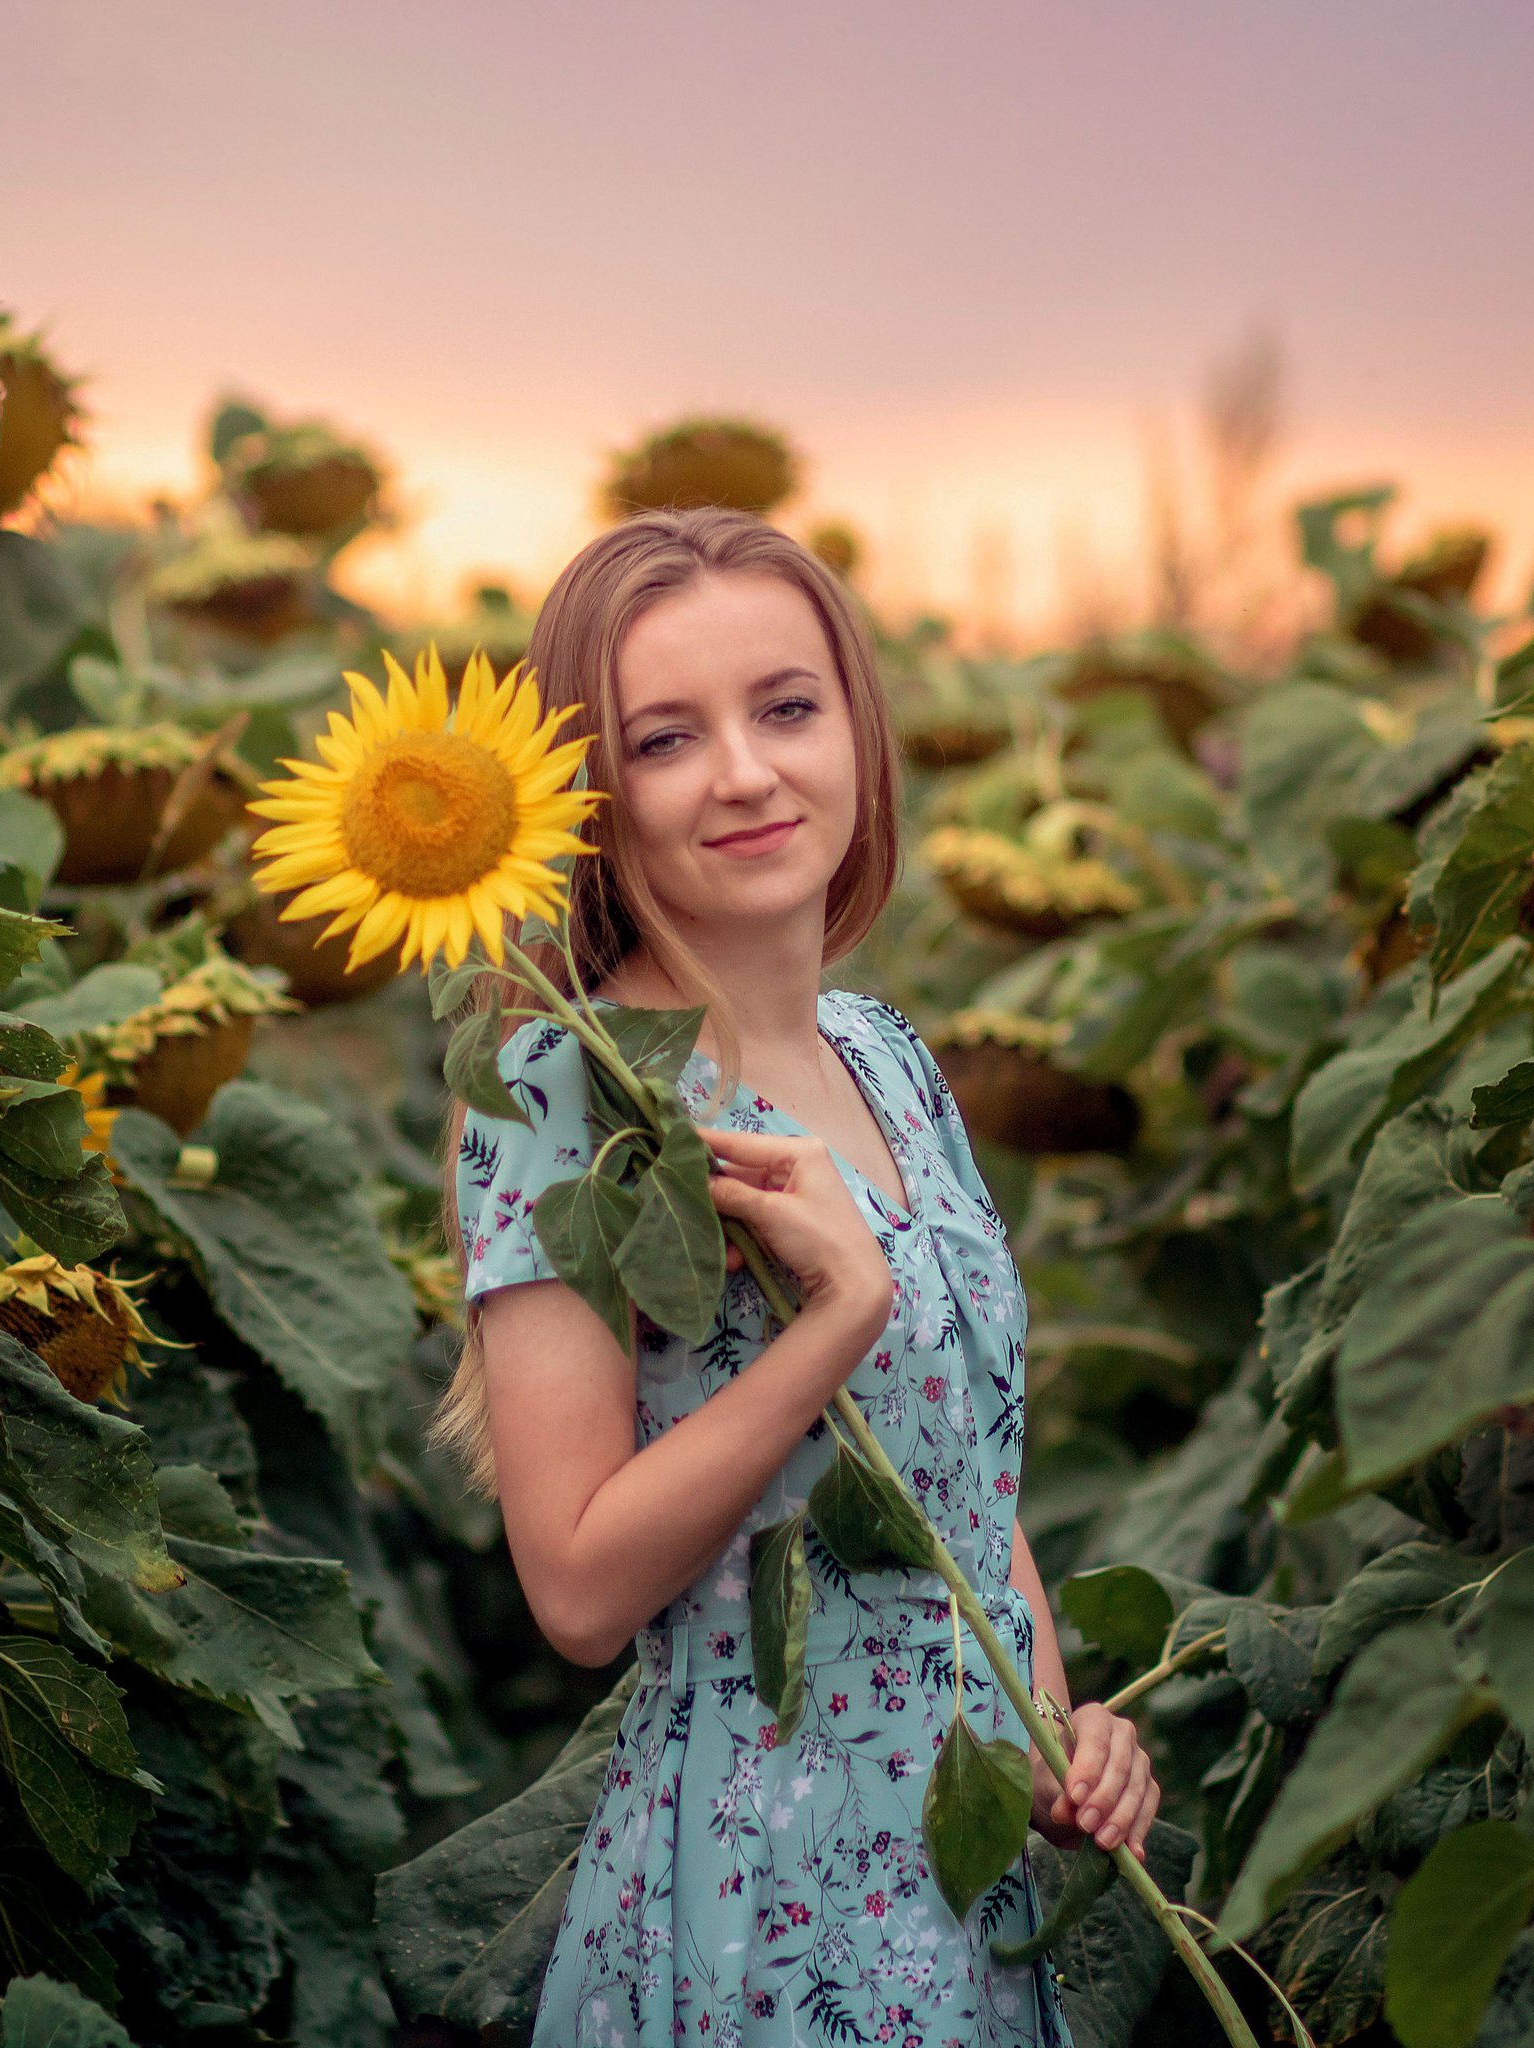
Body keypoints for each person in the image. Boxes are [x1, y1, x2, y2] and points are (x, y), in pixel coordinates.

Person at [438, 508, 1159, 2046]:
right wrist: (828, 1325)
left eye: (786, 708)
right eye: (665, 738)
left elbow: (967, 1479)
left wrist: (1057, 1725)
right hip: (771, 1911)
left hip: (973, 1888)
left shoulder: (887, 1056)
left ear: (857, 732)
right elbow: (571, 1582)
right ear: (589, 793)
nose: (747, 773)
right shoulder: (569, 1092)